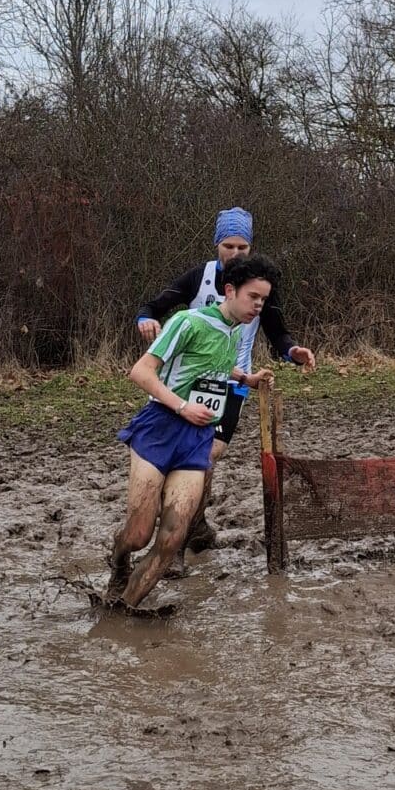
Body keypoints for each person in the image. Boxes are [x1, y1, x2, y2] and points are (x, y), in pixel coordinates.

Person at [136, 207, 315, 561]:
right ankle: (192, 523)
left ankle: (187, 528)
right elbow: (155, 304)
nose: (235, 254)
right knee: (186, 454)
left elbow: (277, 330)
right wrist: (145, 318)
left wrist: (292, 351)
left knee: (208, 454)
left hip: (232, 382)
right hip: (188, 382)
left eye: (242, 247)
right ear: (218, 244)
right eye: (229, 246)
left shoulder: (260, 284)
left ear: (250, 248)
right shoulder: (198, 277)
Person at [106, 254, 278, 612]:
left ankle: (124, 610)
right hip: (159, 430)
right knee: (139, 535)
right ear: (230, 291)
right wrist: (182, 406)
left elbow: (213, 365)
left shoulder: (235, 330)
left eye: (263, 300)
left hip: (196, 440)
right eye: (253, 297)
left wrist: (245, 378)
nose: (258, 306)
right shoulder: (187, 321)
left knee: (171, 539)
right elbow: (141, 373)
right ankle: (120, 558)